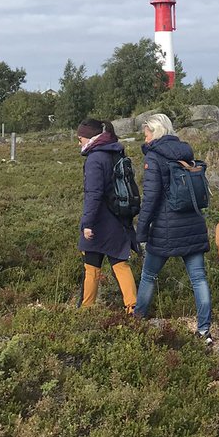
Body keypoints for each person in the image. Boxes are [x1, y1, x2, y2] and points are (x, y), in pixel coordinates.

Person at [133, 113, 213, 344]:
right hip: (193, 223)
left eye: (146, 133)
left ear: (155, 132)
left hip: (165, 227)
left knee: (149, 275)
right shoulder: (185, 152)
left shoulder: (154, 157)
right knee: (198, 279)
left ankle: (137, 321)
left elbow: (150, 198)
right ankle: (204, 331)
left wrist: (141, 231)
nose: (145, 138)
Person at [77, 118, 138, 312]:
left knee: (91, 266)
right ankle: (133, 309)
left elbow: (93, 194)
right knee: (120, 263)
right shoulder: (115, 152)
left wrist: (87, 223)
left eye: (80, 139)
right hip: (119, 218)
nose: (79, 143)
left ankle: (86, 310)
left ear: (89, 137)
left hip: (99, 221)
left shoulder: (95, 159)